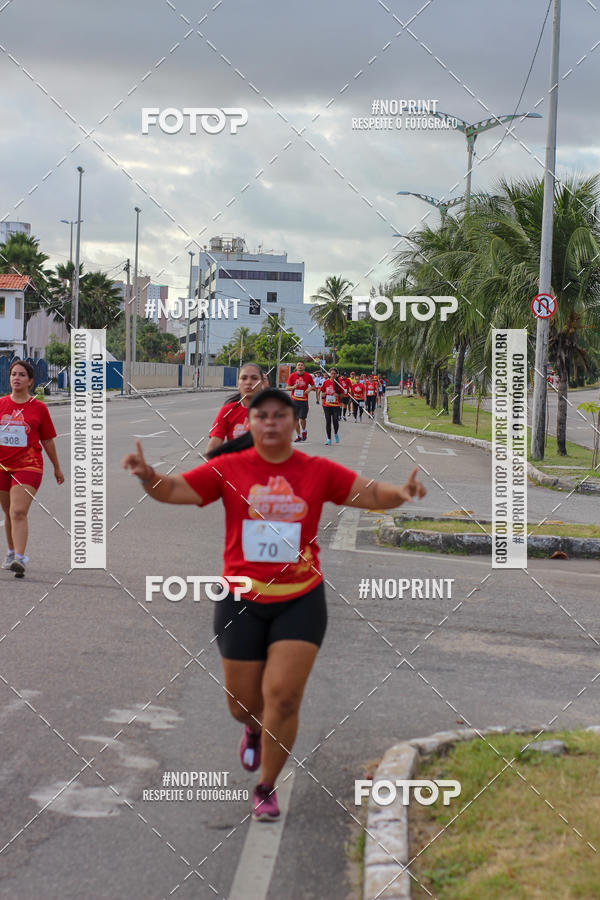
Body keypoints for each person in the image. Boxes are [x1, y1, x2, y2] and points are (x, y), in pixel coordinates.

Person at [122, 388, 426, 822]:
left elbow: (373, 495)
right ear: (248, 424)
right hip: (240, 599)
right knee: (242, 704)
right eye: (260, 416)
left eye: (279, 415)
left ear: (294, 422)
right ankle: (251, 728)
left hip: (299, 600)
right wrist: (147, 475)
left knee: (282, 698)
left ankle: (266, 785)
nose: (270, 422)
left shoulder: (316, 470)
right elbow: (174, 490)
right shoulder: (228, 467)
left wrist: (403, 492)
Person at [0, 360, 64, 577]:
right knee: (8, 512)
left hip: (29, 466)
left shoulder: (39, 408)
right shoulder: (1, 405)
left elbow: (47, 441)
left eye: (21, 375)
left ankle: (20, 558)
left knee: (18, 511)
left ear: (30, 381)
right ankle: (10, 553)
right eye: (13, 374)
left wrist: (57, 467)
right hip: (2, 466)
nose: (16, 378)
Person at [206, 363, 265, 455]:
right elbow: (212, 449)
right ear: (238, 382)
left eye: (254, 378)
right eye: (244, 378)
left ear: (262, 383)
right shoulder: (227, 411)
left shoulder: (274, 411)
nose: (249, 382)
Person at [286, 361, 315, 442]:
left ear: (304, 367)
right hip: (294, 401)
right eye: (298, 365)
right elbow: (287, 388)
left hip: (303, 401)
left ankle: (304, 431)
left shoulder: (308, 376)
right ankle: (298, 435)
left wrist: (309, 389)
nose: (300, 366)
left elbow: (313, 385)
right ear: (296, 367)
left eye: (301, 365)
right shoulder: (292, 376)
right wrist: (293, 387)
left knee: (302, 418)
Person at [318, 368, 343, 445]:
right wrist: (323, 394)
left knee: (335, 420)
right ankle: (329, 439)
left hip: (336, 405)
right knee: (328, 421)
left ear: (337, 375)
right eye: (331, 373)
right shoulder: (326, 382)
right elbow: (322, 392)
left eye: (334, 373)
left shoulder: (339, 383)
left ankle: (335, 433)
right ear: (329, 374)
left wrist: (338, 395)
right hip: (327, 405)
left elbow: (343, 394)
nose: (333, 375)